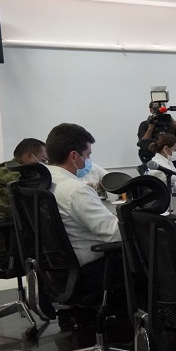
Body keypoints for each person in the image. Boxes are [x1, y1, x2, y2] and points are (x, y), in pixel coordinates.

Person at [45, 123, 121, 296]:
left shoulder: (43, 182)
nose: (88, 161)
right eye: (87, 155)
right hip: (91, 270)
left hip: (56, 271)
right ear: (74, 156)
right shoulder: (76, 190)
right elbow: (115, 234)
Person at [0, 138, 47, 267]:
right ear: (29, 156)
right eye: (43, 160)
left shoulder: (5, 168)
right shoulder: (17, 176)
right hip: (1, 237)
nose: (45, 164)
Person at [137, 100, 176, 167]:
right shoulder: (145, 124)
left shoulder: (170, 124)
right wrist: (150, 128)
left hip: (169, 158)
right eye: (155, 107)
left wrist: (173, 122)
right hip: (152, 159)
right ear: (150, 110)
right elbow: (142, 144)